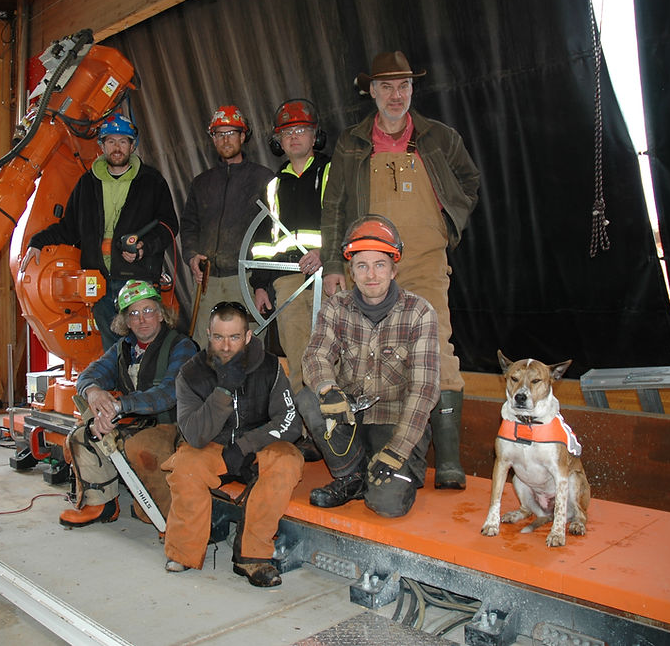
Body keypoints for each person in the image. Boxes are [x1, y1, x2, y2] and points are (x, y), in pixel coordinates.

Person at [319, 51, 480, 489]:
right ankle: (370, 448)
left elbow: (469, 181)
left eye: (404, 85)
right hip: (370, 263)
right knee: (364, 352)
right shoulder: (352, 143)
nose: (396, 95)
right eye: (386, 86)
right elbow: (333, 206)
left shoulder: (439, 137)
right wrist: (336, 262)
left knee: (438, 351)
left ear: (413, 89)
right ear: (371, 91)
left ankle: (447, 460)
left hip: (426, 260)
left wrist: (447, 221)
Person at [300, 215, 440, 518]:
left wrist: (397, 450)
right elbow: (315, 356)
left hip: (396, 423)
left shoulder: (419, 313)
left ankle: (375, 474)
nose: (371, 274)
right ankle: (350, 475)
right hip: (352, 419)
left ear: (394, 268)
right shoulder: (336, 307)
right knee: (309, 398)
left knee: (387, 505)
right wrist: (328, 390)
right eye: (362, 266)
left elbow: (424, 390)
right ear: (351, 272)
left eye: (380, 264)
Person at [162, 301, 304, 587]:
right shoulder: (191, 374)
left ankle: (252, 557)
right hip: (213, 447)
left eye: (234, 337)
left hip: (259, 445)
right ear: (208, 334)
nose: (226, 346)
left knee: (288, 460)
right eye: (218, 337)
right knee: (186, 465)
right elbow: (193, 434)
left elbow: (290, 421)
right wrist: (223, 390)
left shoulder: (270, 367)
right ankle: (184, 551)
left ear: (248, 336)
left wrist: (247, 445)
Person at [20, 113, 178, 351]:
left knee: (147, 346)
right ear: (102, 145)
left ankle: (145, 388)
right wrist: (38, 241)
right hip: (100, 282)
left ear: (133, 145)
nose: (117, 147)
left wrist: (144, 247)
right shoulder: (87, 183)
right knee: (113, 350)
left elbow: (168, 225)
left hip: (138, 280)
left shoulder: (152, 182)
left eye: (123, 141)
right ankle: (119, 387)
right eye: (111, 141)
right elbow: (69, 228)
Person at [61, 280, 197, 529]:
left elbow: (168, 393)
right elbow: (89, 375)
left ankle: (172, 521)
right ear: (125, 321)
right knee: (81, 435)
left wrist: (118, 406)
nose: (141, 319)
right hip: (135, 421)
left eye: (148, 310)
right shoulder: (123, 348)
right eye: (133, 313)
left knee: (141, 448)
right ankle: (101, 504)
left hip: (175, 426)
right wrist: (94, 394)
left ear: (161, 313)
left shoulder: (183, 346)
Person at [250, 99, 331, 393]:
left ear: (315, 136)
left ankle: (341, 421)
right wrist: (260, 284)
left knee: (335, 352)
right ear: (278, 142)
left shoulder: (333, 173)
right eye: (287, 132)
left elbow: (349, 220)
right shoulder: (273, 186)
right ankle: (308, 421)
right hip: (288, 281)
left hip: (332, 275)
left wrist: (328, 254)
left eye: (301, 129)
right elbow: (261, 242)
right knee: (297, 355)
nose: (294, 136)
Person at [180, 105, 273, 345]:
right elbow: (189, 225)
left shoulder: (263, 178)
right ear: (212, 139)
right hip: (207, 282)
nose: (225, 139)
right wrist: (191, 256)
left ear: (243, 136)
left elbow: (272, 233)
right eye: (219, 134)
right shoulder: (201, 183)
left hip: (245, 279)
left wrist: (261, 283)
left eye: (231, 132)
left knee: (248, 348)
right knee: (206, 347)